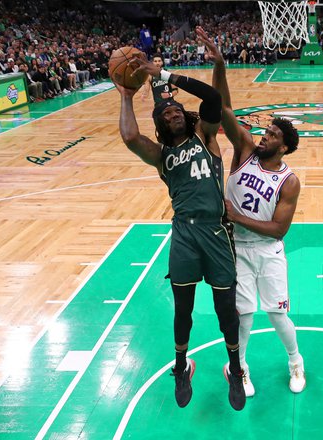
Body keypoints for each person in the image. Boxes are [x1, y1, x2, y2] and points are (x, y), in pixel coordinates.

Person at [116, 56, 246, 411]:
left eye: (176, 111)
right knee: (183, 310)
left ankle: (235, 369)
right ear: (159, 125)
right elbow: (129, 136)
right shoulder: (161, 156)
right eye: (165, 114)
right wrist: (126, 95)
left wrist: (166, 76)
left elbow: (212, 98)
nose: (172, 114)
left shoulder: (206, 135)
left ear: (186, 116)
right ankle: (181, 365)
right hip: (184, 235)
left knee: (226, 310)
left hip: (217, 232)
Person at [198, 27, 306, 397]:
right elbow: (223, 109)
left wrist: (233, 214)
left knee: (277, 315)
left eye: (273, 135)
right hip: (236, 250)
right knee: (242, 316)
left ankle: (295, 361)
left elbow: (278, 230)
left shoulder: (289, 181)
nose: (264, 136)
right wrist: (220, 68)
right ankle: (239, 368)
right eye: (266, 131)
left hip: (268, 251)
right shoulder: (244, 149)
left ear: (285, 147)